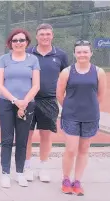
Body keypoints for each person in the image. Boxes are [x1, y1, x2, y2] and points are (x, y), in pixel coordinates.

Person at [57, 40, 106, 196]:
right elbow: (59, 94)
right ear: (74, 53)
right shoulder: (67, 72)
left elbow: (100, 95)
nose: (82, 55)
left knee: (84, 150)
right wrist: (71, 108)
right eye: (79, 52)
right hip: (71, 116)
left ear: (91, 53)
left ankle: (77, 181)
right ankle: (66, 179)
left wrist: (88, 108)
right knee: (71, 149)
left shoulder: (99, 72)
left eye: (85, 52)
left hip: (90, 117)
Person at [0, 29, 40, 188]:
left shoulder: (33, 60)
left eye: (22, 40)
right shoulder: (4, 59)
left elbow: (36, 85)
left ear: (27, 42)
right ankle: (5, 173)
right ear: (10, 43)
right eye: (15, 40)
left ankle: (20, 173)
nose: (18, 43)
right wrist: (15, 100)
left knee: (22, 140)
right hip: (6, 103)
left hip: (27, 104)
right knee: (7, 140)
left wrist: (24, 102)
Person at [25, 23, 69, 182]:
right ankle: (26, 167)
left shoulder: (61, 55)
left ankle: (43, 168)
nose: (45, 37)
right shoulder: (28, 52)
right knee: (26, 136)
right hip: (28, 100)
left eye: (48, 34)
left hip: (49, 101)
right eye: (42, 34)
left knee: (46, 136)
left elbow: (66, 76)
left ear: (52, 35)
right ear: (36, 37)